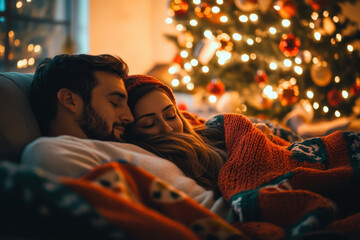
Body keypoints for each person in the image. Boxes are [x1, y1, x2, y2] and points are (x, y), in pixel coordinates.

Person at [21, 54, 221, 212]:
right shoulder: (50, 152)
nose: (129, 117)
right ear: (70, 101)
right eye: (115, 102)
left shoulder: (125, 144)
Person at [122, 74, 291, 195]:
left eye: (170, 116)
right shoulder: (161, 164)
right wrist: (254, 143)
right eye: (148, 124)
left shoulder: (202, 129)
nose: (167, 128)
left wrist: (256, 132)